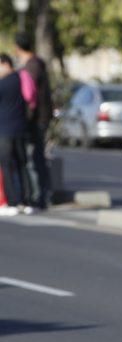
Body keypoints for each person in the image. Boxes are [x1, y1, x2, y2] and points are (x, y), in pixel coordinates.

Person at [14, 32, 53, 210]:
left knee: (33, 158)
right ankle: (41, 194)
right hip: (40, 118)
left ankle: (39, 196)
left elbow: (29, 96)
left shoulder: (31, 67)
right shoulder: (36, 63)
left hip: (35, 120)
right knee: (36, 157)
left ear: (17, 48)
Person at [0, 53, 33, 216]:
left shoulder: (2, 84)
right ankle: (26, 201)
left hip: (4, 130)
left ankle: (12, 202)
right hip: (20, 128)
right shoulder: (22, 79)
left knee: (6, 166)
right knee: (22, 164)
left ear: (5, 64)